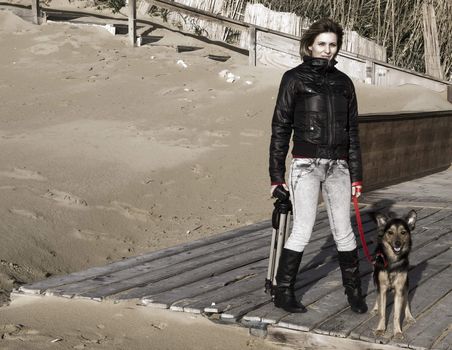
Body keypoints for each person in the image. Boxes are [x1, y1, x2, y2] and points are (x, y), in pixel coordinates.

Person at [269, 18, 367, 314]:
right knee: (303, 228)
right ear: (309, 45)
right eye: (322, 44)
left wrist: (357, 175)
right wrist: (276, 176)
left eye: (333, 44)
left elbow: (352, 132)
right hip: (305, 165)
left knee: (344, 230)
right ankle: (283, 291)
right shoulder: (293, 79)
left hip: (339, 166)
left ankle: (354, 292)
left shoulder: (344, 83)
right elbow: (280, 128)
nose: (327, 50)